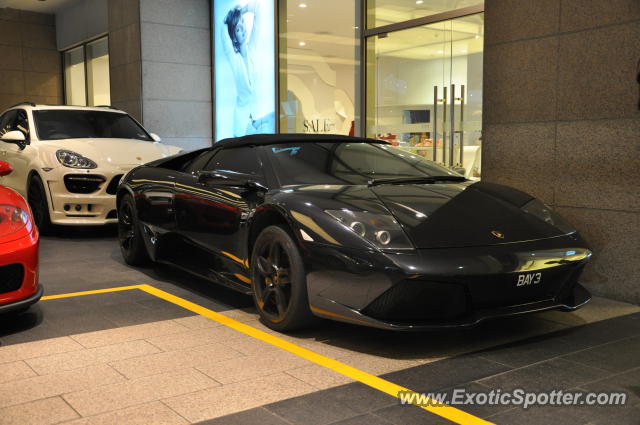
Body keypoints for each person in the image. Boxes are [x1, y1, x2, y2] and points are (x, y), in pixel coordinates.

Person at [222, 0, 275, 136]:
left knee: (275, 116)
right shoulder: (234, 58)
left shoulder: (252, 49)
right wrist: (230, 18)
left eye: (243, 23)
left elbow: (259, 8)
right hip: (242, 122)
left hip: (256, 119)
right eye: (238, 29)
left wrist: (242, 11)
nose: (244, 30)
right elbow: (223, 29)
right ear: (234, 37)